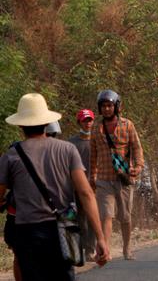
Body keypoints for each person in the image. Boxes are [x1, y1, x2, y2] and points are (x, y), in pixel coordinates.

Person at [0, 93, 110, 280]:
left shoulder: (11, 156)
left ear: (20, 125)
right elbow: (86, 193)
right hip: (64, 230)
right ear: (46, 122)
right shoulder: (67, 150)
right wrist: (100, 238)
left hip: (28, 233)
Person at [89, 89, 144, 261]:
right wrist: (92, 176)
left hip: (124, 179)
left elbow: (137, 148)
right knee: (106, 215)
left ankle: (127, 247)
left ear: (116, 107)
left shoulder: (128, 125)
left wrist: (138, 167)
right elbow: (93, 154)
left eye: (110, 105)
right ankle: (106, 250)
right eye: (104, 106)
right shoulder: (96, 128)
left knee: (125, 217)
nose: (106, 109)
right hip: (104, 179)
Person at [66, 109, 96, 262]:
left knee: (93, 218)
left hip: (95, 186)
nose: (88, 123)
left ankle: (90, 250)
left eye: (90, 120)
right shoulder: (71, 143)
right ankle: (81, 250)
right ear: (79, 122)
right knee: (80, 219)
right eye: (85, 120)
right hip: (77, 187)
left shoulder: (99, 140)